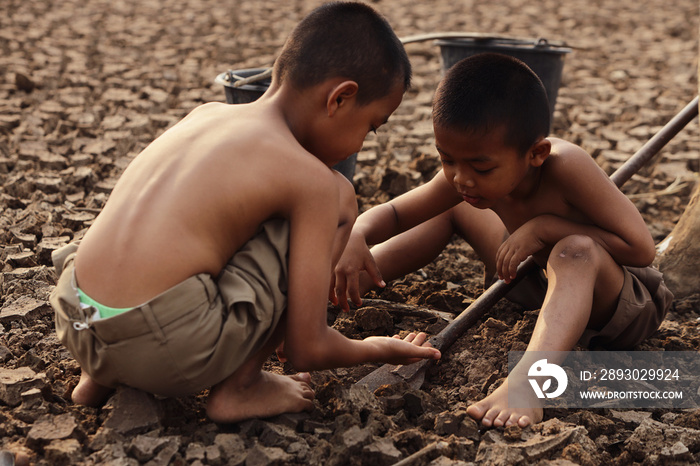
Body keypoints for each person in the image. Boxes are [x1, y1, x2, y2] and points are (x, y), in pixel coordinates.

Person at [49, 1, 440, 424]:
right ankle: (242, 386)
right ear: (340, 98)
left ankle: (98, 380)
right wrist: (384, 347)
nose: (361, 144)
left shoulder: (207, 115)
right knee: (341, 195)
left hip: (76, 319)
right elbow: (308, 348)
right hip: (162, 347)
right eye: (371, 126)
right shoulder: (310, 181)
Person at [332, 52, 672, 428]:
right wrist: (358, 233)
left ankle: (529, 383)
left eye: (481, 167)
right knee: (452, 207)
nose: (461, 178)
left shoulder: (567, 166)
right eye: (447, 159)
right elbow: (397, 214)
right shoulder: (467, 176)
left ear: (536, 154)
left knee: (576, 249)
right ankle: (332, 290)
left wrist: (545, 227)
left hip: (614, 303)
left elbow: (641, 249)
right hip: (531, 279)